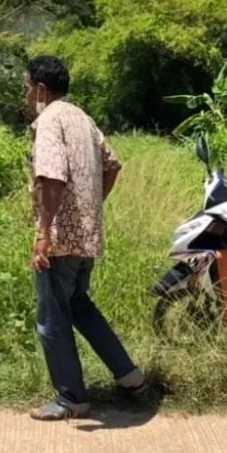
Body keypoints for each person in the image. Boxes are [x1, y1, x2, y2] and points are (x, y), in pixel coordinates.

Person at [24, 55, 146, 421]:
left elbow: (51, 176)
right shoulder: (83, 118)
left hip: (60, 241)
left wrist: (44, 234)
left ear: (41, 89)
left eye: (26, 88)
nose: (26, 95)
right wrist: (90, 207)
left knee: (51, 319)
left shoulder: (48, 121)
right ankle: (131, 377)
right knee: (78, 305)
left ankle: (71, 398)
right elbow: (113, 165)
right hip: (86, 237)